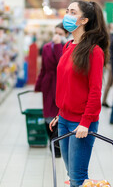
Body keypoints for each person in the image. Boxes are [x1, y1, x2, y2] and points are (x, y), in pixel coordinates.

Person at [49, 0, 109, 187]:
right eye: (67, 10)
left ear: (83, 20)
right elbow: (68, 84)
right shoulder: (68, 47)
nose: (67, 15)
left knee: (77, 177)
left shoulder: (94, 51)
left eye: (72, 12)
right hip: (64, 120)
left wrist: (85, 122)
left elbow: (94, 90)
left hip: (81, 124)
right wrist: (60, 113)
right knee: (71, 174)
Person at [35, 23, 69, 157]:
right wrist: (38, 85)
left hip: (61, 84)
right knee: (48, 114)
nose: (57, 36)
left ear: (66, 35)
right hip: (48, 84)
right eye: (56, 33)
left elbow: (61, 62)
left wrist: (58, 45)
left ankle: (57, 145)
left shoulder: (67, 48)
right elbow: (43, 68)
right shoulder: (46, 47)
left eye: (60, 34)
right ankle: (52, 140)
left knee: (58, 114)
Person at [102, 23, 113, 108]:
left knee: (110, 83)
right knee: (109, 82)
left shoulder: (109, 36)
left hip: (110, 62)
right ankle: (104, 101)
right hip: (112, 62)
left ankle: (104, 100)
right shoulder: (111, 36)